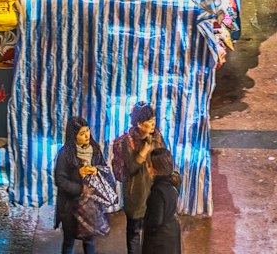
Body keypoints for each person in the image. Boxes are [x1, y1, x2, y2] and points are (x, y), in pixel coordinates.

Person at [109, 104, 161, 254]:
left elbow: (163, 159)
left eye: (154, 120)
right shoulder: (128, 141)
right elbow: (131, 168)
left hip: (153, 193)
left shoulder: (156, 136)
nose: (153, 124)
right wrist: (143, 153)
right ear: (139, 123)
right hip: (135, 196)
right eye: (149, 121)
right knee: (134, 233)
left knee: (151, 232)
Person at [55, 115, 110, 254]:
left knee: (89, 241)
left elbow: (105, 170)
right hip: (70, 208)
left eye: (87, 131)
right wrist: (80, 186)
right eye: (82, 133)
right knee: (68, 242)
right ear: (74, 136)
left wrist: (96, 170)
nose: (86, 136)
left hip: (91, 207)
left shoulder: (95, 150)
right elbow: (60, 180)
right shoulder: (65, 154)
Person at [142, 148, 182, 254]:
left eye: (148, 165)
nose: (147, 167)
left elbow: (156, 221)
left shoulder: (157, 191)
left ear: (154, 169)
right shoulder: (174, 182)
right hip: (171, 233)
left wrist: (144, 224)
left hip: (160, 241)